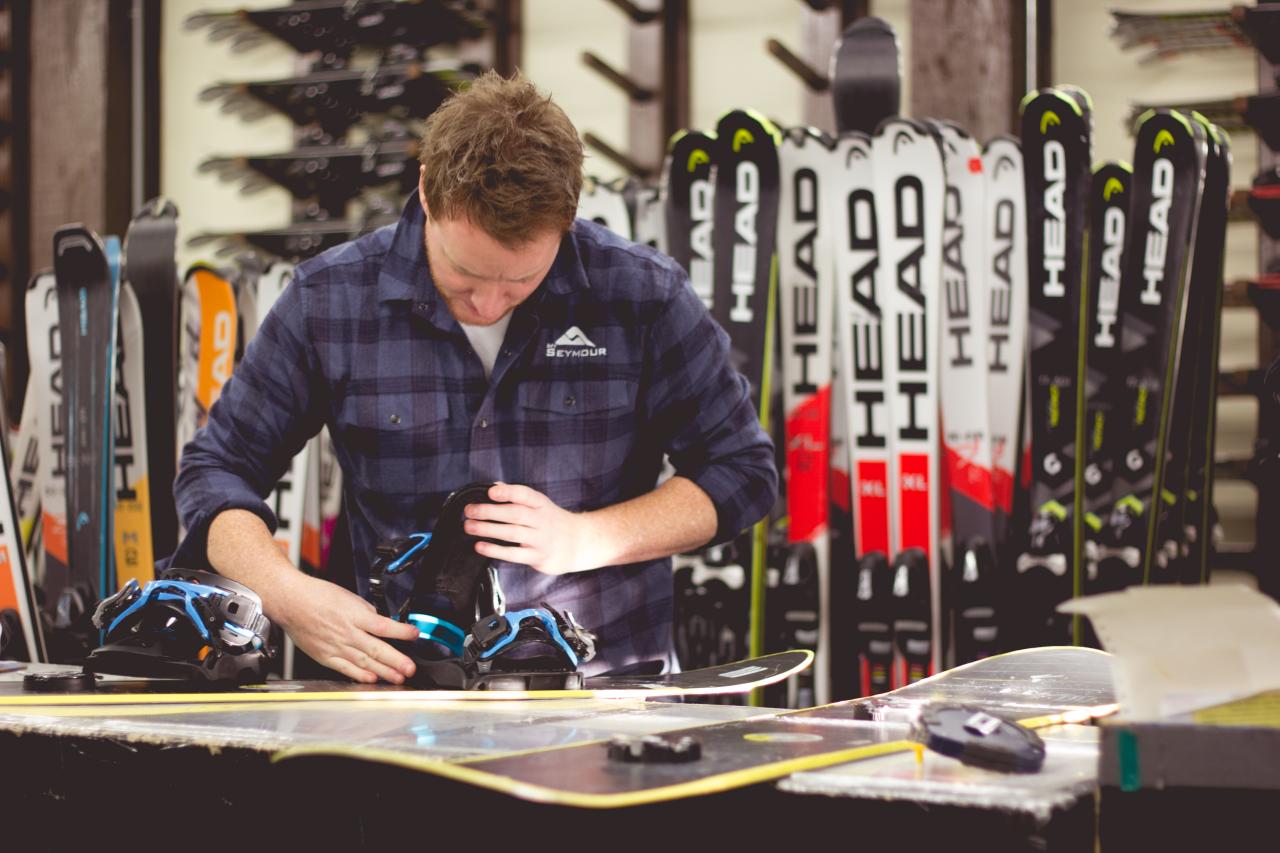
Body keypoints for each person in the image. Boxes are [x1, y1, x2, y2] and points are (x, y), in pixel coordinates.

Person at [170, 71, 776, 684]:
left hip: (606, 691)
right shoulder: (328, 301)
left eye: (519, 282)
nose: (488, 304)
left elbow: (742, 472)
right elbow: (215, 470)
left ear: (566, 219)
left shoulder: (642, 295)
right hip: (400, 691)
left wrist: (590, 539)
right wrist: (286, 594)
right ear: (428, 193)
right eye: (463, 275)